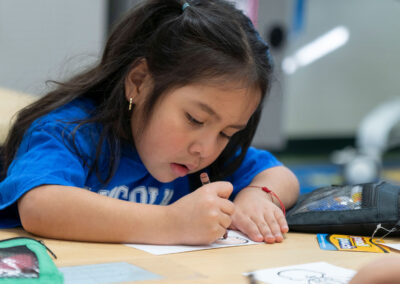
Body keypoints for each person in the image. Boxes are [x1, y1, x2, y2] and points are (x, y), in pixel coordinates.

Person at [0, 0, 299, 245]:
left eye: (226, 133)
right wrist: (172, 223)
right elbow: (40, 206)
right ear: (139, 82)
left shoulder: (203, 156)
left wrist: (258, 197)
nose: (205, 150)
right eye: (194, 119)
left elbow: (280, 175)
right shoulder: (70, 131)